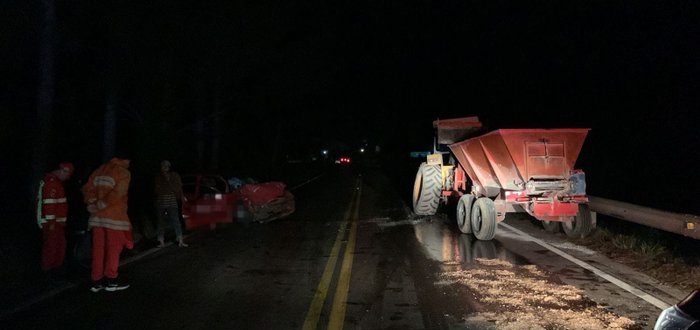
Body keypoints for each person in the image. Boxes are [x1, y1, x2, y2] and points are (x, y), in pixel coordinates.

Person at [82, 157, 133, 292]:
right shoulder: (123, 173)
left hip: (97, 218)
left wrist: (91, 204)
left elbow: (87, 188)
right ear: (125, 160)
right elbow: (117, 194)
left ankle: (96, 282)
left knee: (98, 249)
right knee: (114, 249)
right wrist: (100, 205)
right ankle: (111, 281)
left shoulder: (99, 170)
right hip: (114, 217)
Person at [36, 162, 74, 280]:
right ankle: (48, 273)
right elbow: (49, 205)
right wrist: (51, 222)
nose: (68, 178)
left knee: (58, 246)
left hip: (56, 222)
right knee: (52, 247)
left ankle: (54, 272)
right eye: (68, 174)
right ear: (63, 171)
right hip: (52, 223)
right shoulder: (52, 184)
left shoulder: (54, 182)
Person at [154, 160, 188, 247]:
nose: (164, 168)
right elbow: (157, 189)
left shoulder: (174, 175)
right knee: (161, 222)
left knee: (176, 220)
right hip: (161, 201)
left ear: (169, 167)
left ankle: (180, 239)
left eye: (166, 166)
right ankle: (161, 241)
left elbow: (179, 187)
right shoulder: (159, 177)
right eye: (163, 166)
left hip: (172, 201)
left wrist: (181, 197)